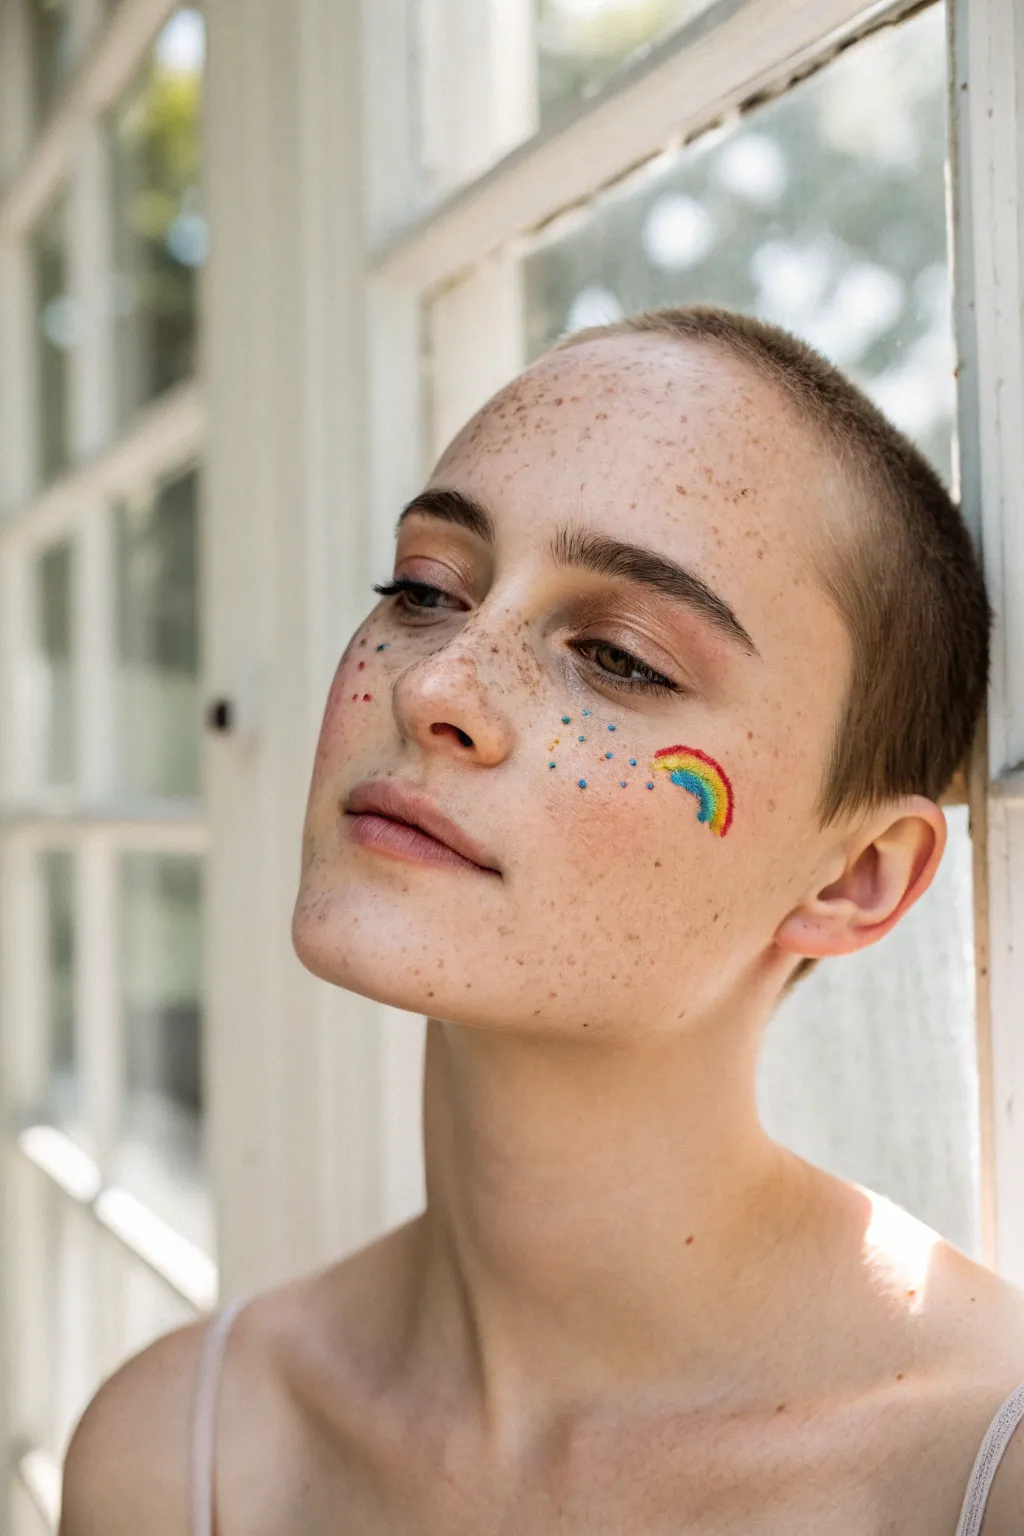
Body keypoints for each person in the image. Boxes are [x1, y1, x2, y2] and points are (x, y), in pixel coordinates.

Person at [59, 307, 1024, 1535]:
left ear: (855, 880)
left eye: (619, 657)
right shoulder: (171, 1459)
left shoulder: (978, 1477)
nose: (434, 685)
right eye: (423, 589)